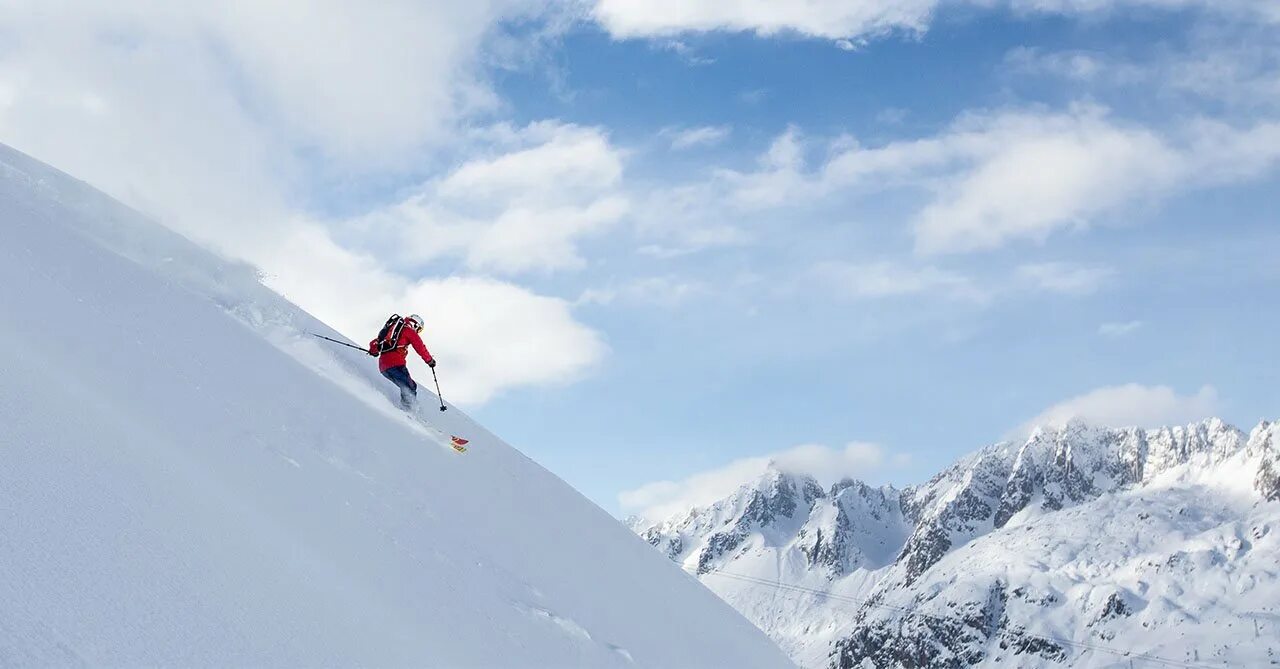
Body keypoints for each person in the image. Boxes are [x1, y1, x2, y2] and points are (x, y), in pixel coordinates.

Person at [368, 314, 436, 410]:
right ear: (415, 324)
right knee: (409, 388)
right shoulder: (409, 331)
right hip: (396, 365)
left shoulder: (392, 329)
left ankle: (405, 409)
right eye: (419, 329)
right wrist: (429, 361)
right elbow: (420, 347)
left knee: (410, 385)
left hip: (383, 368)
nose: (418, 332)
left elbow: (375, 343)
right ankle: (408, 412)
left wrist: (373, 351)